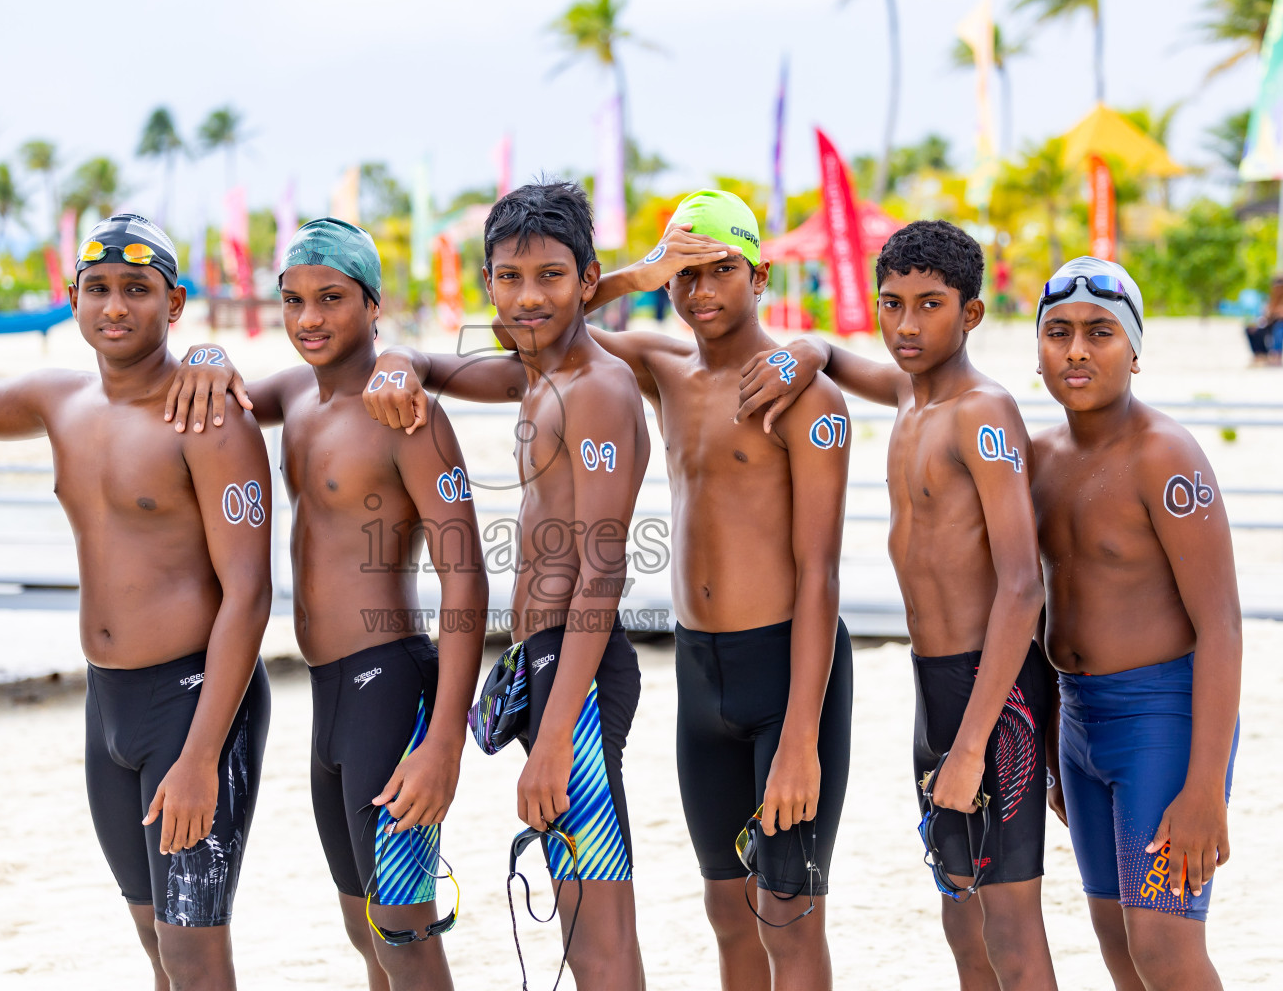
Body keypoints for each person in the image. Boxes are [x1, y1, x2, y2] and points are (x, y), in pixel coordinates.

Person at [358, 190, 853, 991]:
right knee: (728, 913)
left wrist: (814, 346)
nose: (701, 291)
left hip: (630, 674)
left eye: (721, 271)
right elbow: (470, 351)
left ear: (758, 275)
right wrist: (397, 361)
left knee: (746, 920)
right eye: (686, 276)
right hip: (673, 669)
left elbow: (606, 568)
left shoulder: (611, 383)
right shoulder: (627, 365)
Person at [0, 214, 272, 991]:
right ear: (72, 298)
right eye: (99, 289)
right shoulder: (61, 400)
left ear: (175, 304)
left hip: (194, 704)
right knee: (153, 936)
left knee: (194, 949)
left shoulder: (208, 419)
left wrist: (201, 756)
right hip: (107, 701)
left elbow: (249, 597)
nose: (115, 307)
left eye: (137, 291)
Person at [160, 217, 488, 991]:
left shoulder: (407, 417)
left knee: (404, 931)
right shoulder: (298, 399)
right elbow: (222, 384)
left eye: (332, 298)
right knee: (361, 923)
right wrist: (205, 351)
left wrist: (445, 739)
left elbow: (466, 578)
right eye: (294, 300)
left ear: (374, 305)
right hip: (329, 693)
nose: (309, 318)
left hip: (391, 683)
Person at [738, 220, 1057, 990]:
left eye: (930, 305)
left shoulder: (983, 412)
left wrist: (975, 744)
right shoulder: (914, 394)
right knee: (960, 908)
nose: (907, 326)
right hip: (933, 681)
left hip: (995, 692)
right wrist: (807, 351)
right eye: (891, 304)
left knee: (1011, 926)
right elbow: (842, 358)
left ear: (971, 313)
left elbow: (1023, 583)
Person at [1032, 257, 1241, 991]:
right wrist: (1058, 746)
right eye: (1058, 332)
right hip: (1082, 726)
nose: (1077, 350)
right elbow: (1043, 610)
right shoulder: (1039, 459)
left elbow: (1222, 627)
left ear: (1136, 350)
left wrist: (1205, 788)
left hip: (1163, 717)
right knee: (1119, 945)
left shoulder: (1165, 457)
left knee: (1165, 949)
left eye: (1100, 332)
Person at [1242, 276, 1283, 366]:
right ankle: (1260, 354)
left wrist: (1275, 312)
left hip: (1279, 324)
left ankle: (1277, 355)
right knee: (1251, 328)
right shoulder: (1270, 299)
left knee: (1279, 330)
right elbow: (1265, 314)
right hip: (1270, 322)